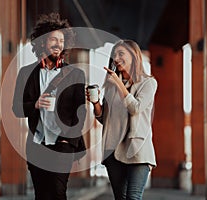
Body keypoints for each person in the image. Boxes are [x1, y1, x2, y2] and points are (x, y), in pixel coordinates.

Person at [12, 13, 86, 200]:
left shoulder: (75, 73)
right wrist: (35, 104)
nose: (58, 44)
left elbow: (81, 111)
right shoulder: (26, 73)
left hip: (63, 144)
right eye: (53, 39)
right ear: (43, 41)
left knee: (58, 191)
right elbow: (16, 109)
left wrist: (68, 140)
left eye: (61, 40)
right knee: (41, 194)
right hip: (37, 144)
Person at [86, 39, 157, 200]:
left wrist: (119, 84)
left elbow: (135, 108)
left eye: (121, 54)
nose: (116, 58)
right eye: (114, 55)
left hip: (137, 150)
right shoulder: (110, 86)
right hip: (113, 150)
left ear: (134, 57)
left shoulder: (148, 83)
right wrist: (96, 103)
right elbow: (104, 118)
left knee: (133, 197)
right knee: (120, 197)